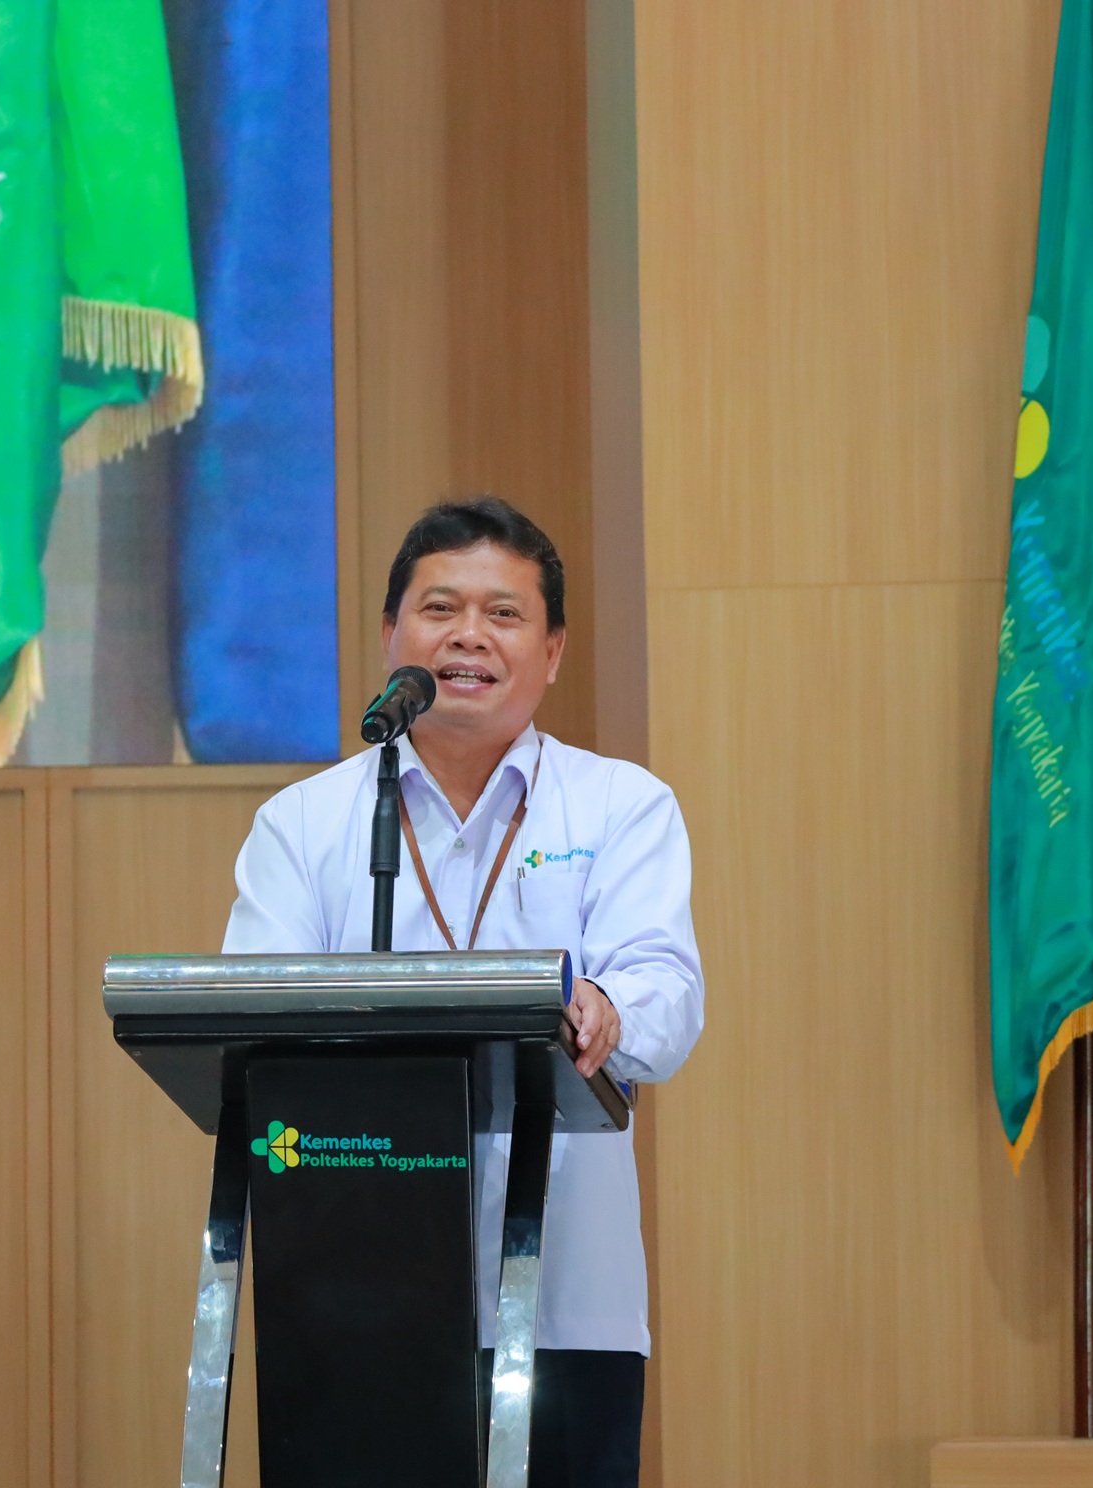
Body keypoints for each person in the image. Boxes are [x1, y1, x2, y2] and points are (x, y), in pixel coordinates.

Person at [222, 495, 704, 1488]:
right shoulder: (302, 824)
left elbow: (666, 991)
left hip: (566, 1299)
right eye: (440, 608)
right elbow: (253, 1021)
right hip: (351, 1295)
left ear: (553, 651)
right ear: (390, 634)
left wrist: (609, 1008)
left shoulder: (621, 807)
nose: (469, 635)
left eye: (504, 613)